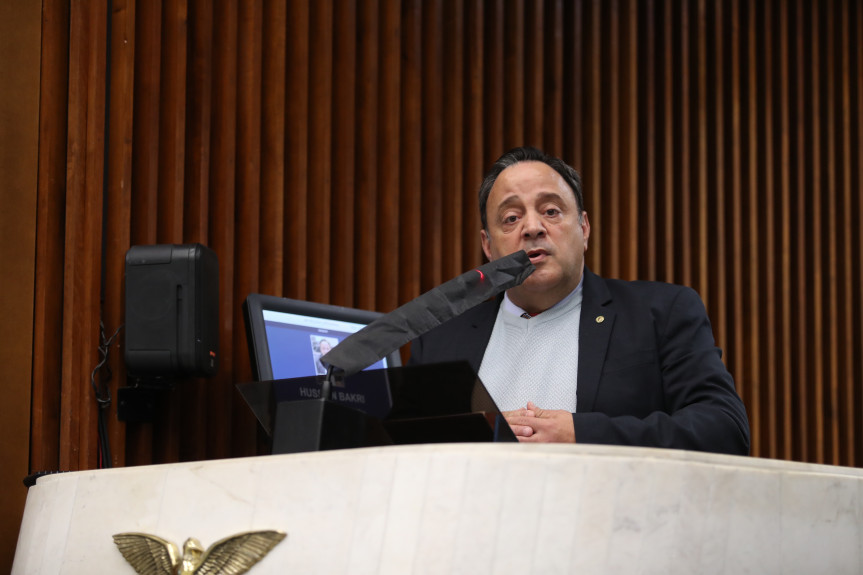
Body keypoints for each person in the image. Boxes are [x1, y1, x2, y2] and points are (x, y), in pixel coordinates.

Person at [409, 146, 750, 455]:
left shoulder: (659, 313)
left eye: (551, 211)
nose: (532, 227)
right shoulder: (440, 340)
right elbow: (403, 453)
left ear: (584, 228)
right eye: (511, 218)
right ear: (488, 247)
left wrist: (581, 433)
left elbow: (724, 429)